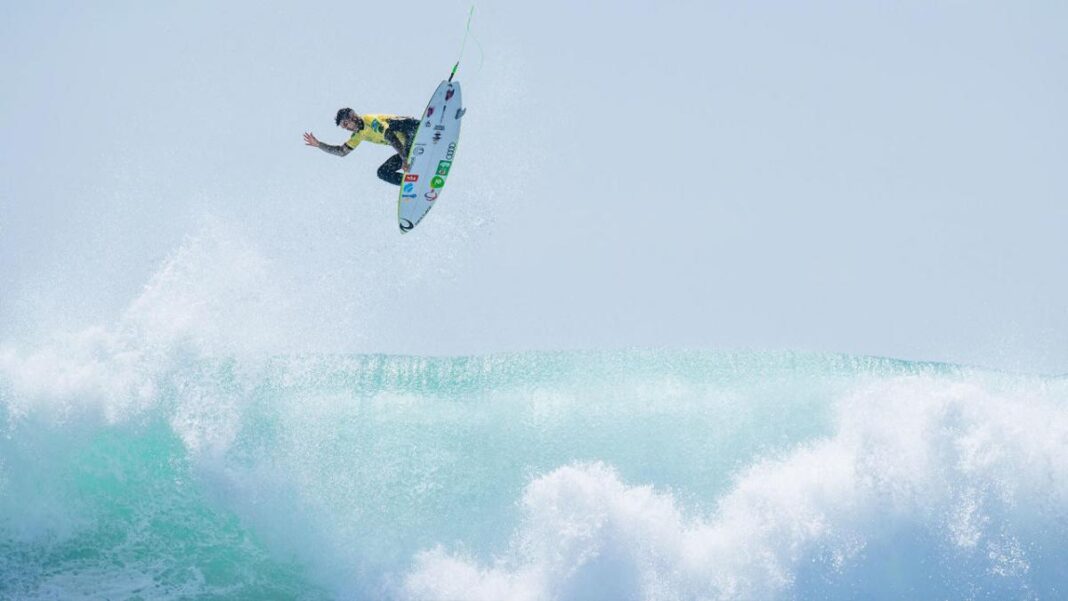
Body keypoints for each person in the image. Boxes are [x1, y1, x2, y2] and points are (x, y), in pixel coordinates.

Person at [304, 108, 420, 186]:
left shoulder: (370, 121)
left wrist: (405, 159)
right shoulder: (358, 136)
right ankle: (414, 183)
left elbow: (391, 137)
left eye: (345, 124)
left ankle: (427, 129)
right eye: (343, 127)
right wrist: (319, 145)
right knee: (383, 172)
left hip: (414, 130)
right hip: (408, 149)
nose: (346, 128)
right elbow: (341, 152)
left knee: (395, 125)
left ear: (352, 117)